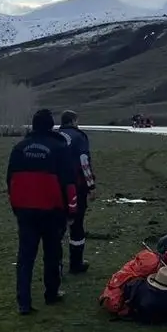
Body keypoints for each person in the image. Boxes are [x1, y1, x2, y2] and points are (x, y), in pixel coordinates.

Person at [6, 108, 80, 315]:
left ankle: (23, 302)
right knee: (52, 253)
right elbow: (69, 183)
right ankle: (51, 293)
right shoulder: (59, 148)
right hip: (52, 210)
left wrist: (16, 206)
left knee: (25, 257)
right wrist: (72, 211)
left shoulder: (19, 148)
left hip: (25, 211)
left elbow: (10, 180)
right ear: (50, 126)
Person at [58, 110, 97, 274]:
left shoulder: (55, 136)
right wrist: (91, 186)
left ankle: (56, 266)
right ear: (74, 121)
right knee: (77, 224)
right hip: (76, 187)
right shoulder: (79, 137)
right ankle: (76, 263)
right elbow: (84, 162)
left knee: (57, 227)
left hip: (56, 186)